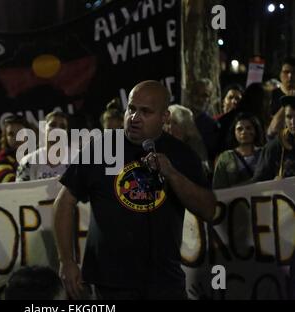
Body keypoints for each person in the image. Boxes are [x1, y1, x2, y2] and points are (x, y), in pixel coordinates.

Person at [54, 81, 216, 300]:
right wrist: (66, 261)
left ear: (164, 117)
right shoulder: (101, 147)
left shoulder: (182, 155)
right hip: (110, 283)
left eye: (145, 112)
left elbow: (208, 209)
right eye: (131, 108)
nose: (134, 118)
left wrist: (173, 175)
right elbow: (64, 202)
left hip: (164, 282)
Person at [213, 113, 264, 189]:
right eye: (239, 129)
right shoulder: (225, 158)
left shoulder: (264, 153)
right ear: (234, 133)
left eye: (248, 128)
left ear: (255, 130)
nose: (244, 132)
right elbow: (218, 188)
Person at [16, 111, 70, 182]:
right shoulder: (28, 162)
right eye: (53, 125)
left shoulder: (77, 160)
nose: (57, 129)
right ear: (43, 129)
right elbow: (21, 191)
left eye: (62, 127)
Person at [253, 95, 295, 182]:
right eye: (289, 117)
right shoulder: (274, 147)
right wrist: (272, 183)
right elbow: (258, 183)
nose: (293, 122)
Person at [164, 104, 211, 176]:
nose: (170, 127)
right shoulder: (161, 145)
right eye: (167, 123)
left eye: (175, 123)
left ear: (186, 126)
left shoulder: (195, 145)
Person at [188, 79, 221, 162]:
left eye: (205, 95)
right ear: (190, 95)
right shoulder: (179, 119)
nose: (199, 99)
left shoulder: (212, 125)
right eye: (196, 94)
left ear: (209, 99)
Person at [0, 115, 31, 183]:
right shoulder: (1, 158)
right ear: (5, 137)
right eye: (11, 134)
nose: (17, 138)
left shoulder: (40, 154)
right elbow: (10, 183)